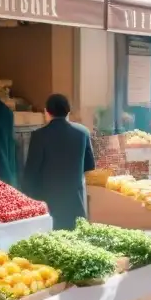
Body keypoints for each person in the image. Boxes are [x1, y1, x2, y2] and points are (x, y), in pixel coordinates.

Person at [22, 94, 95, 230]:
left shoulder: (39, 135)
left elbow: (32, 171)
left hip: (48, 199)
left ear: (47, 112)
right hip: (75, 198)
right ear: (68, 111)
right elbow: (89, 165)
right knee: (76, 238)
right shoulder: (82, 132)